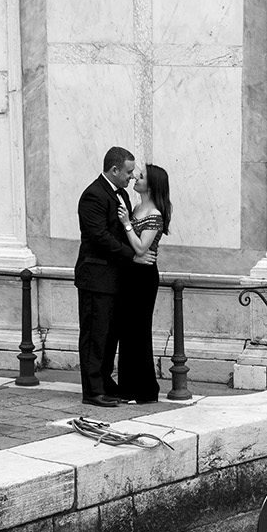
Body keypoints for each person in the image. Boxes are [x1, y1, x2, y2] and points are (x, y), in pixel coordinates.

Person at [74, 147, 151, 406]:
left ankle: (105, 384)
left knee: (108, 336)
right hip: (96, 277)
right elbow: (100, 236)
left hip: (115, 279)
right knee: (95, 335)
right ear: (114, 170)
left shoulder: (121, 196)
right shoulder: (93, 195)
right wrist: (134, 255)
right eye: (128, 172)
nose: (132, 177)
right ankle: (93, 391)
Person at [113, 163, 171, 404]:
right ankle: (127, 388)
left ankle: (146, 390)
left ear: (152, 184)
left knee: (139, 331)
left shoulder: (154, 213)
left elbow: (140, 247)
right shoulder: (137, 206)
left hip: (144, 277)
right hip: (131, 274)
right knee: (127, 331)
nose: (136, 177)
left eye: (142, 176)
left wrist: (126, 223)